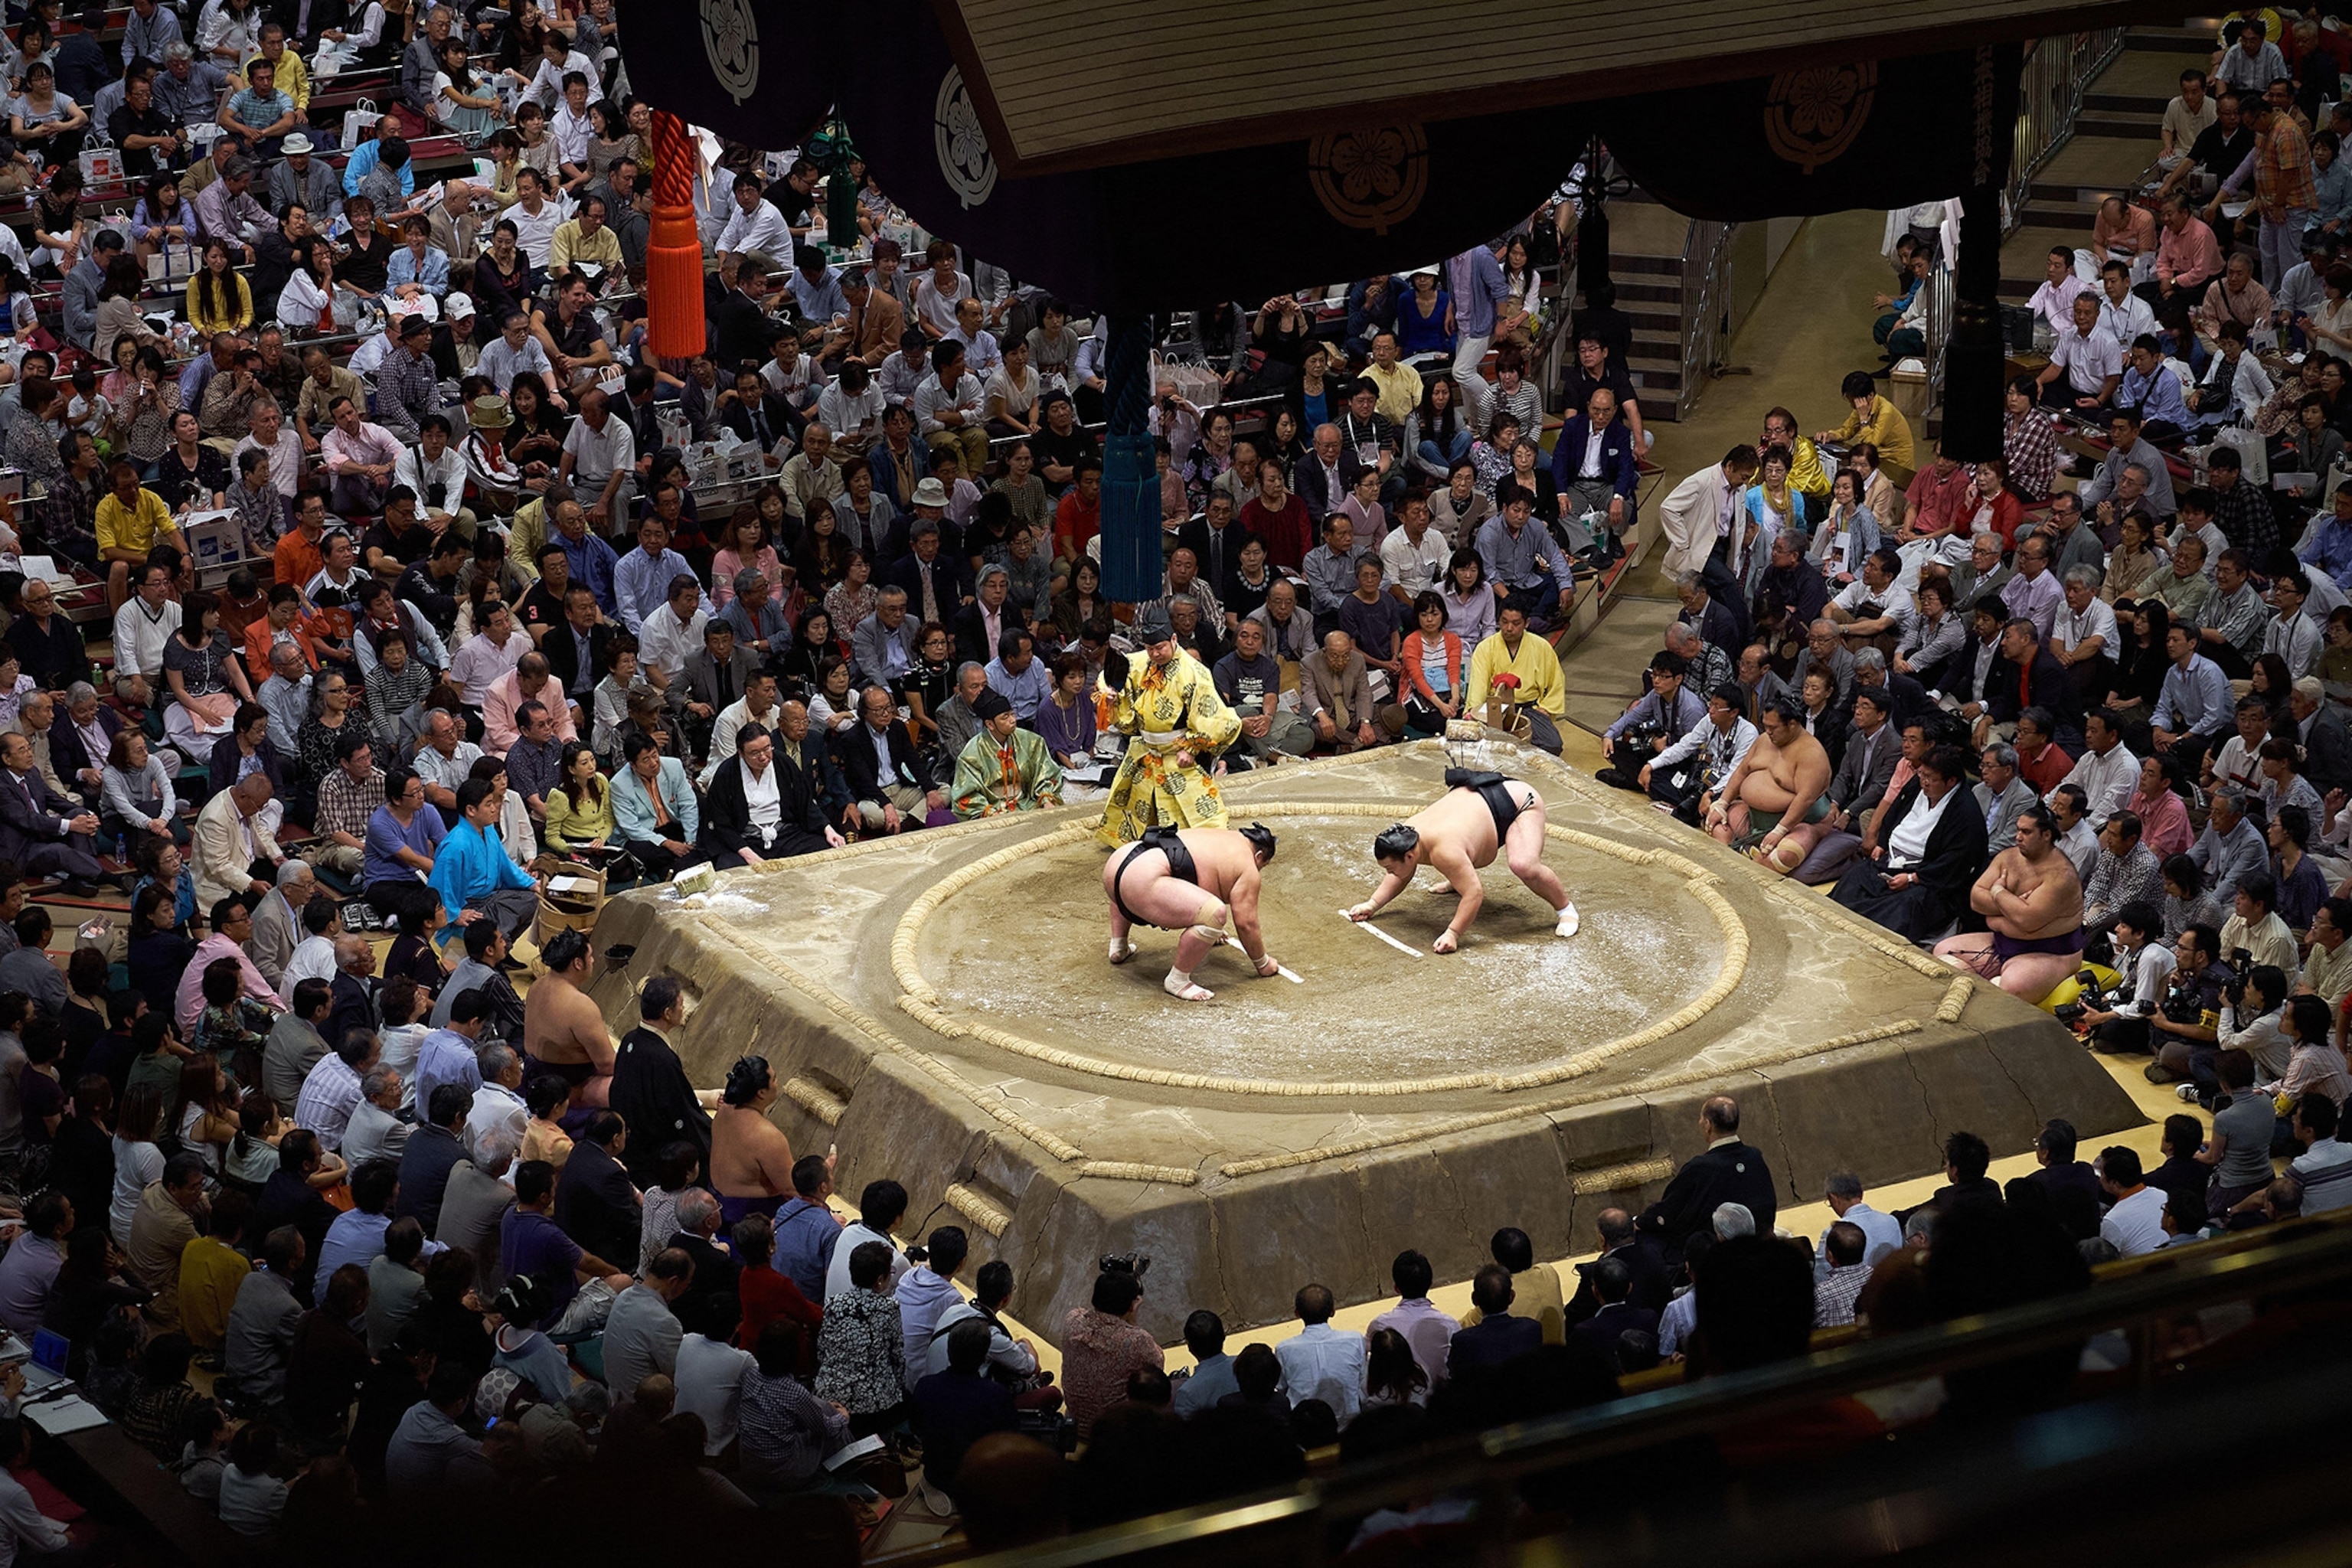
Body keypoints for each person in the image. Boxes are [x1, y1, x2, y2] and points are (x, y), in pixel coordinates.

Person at [1344, 769, 1576, 956]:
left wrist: (1453, 933)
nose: (1390, 873)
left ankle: (1565, 909)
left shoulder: (1443, 851)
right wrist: (1372, 904)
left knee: (1524, 865)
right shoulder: (1408, 836)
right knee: (1456, 861)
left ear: (1409, 857)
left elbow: (1474, 893)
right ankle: (1458, 879)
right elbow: (1400, 872)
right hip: (1480, 799)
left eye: (1390, 868)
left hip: (1518, 802)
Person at [1094, 604, 1241, 848]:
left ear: (1173, 640)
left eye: (1160, 647)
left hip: (1178, 751)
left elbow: (1219, 719)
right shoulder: (1138, 662)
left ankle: (1211, 846)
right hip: (1145, 749)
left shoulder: (1194, 673)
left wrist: (1192, 748)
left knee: (1199, 815)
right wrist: (1109, 693)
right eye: (1149, 648)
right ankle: (1139, 843)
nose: (1154, 654)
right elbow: (1109, 675)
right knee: (1135, 800)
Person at [1102, 823, 1282, 1002]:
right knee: (1213, 915)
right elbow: (1246, 923)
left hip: (1119, 863)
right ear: (1259, 857)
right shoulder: (1249, 866)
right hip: (1141, 882)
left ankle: (1119, 946)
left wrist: (1212, 933)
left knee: (1131, 882)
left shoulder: (1224, 837)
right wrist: (1263, 963)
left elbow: (1199, 871)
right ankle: (1178, 981)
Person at [1932, 806, 2086, 1001]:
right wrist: (2012, 906)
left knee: (2011, 986)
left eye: (2027, 832)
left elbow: (2026, 920)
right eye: (2018, 830)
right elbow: (1976, 900)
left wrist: (1998, 892)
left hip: (2050, 952)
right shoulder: (2009, 856)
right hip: (2003, 941)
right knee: (1943, 951)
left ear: (2046, 835)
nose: (2018, 837)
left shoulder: (2061, 876)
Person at [1636, 1096, 1780, 1257]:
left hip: (1715, 1254)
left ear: (1707, 1124)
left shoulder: (1699, 1167)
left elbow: (1667, 1213)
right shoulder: (1755, 1156)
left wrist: (1640, 1222)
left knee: (1647, 1238)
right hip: (1761, 1243)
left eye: (1701, 1119)